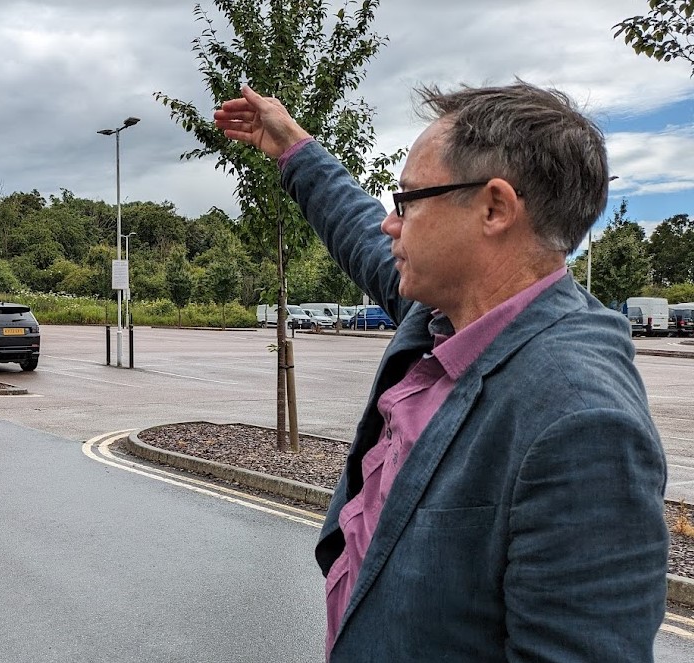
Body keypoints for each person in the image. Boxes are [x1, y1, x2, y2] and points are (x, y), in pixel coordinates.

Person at [215, 83, 668, 660]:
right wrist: (292, 147)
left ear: (494, 208)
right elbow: (358, 230)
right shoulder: (442, 314)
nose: (390, 224)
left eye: (408, 201)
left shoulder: (581, 420)